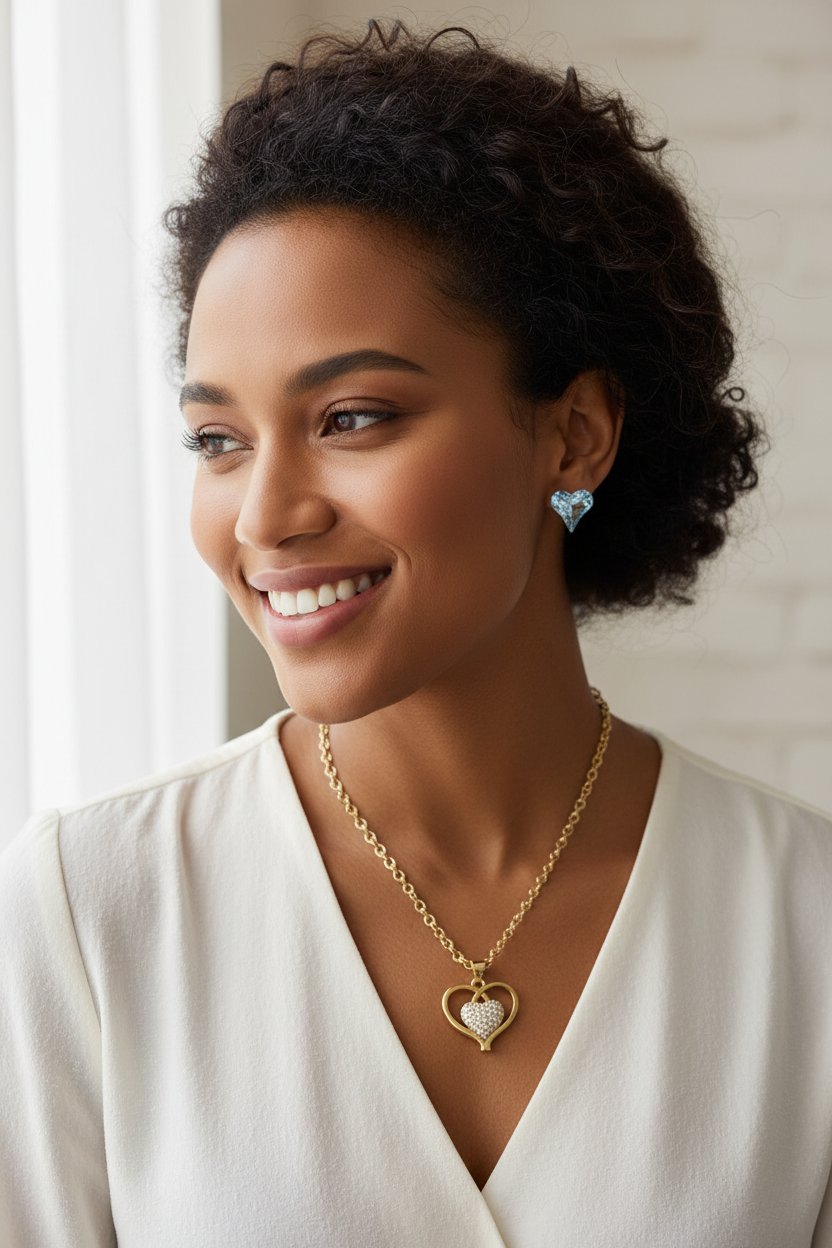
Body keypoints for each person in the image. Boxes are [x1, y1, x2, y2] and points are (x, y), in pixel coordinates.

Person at [1, 19, 830, 1246]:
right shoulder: (90, 907)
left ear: (574, 435)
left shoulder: (803, 924)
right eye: (218, 440)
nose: (267, 514)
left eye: (352, 416)